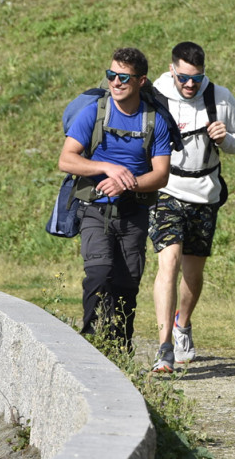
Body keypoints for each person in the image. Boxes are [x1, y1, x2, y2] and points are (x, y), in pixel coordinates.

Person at [149, 41, 235, 373]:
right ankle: (164, 347)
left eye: (197, 78)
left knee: (193, 273)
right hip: (166, 189)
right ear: (171, 70)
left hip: (205, 192)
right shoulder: (156, 94)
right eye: (184, 78)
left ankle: (183, 325)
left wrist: (226, 139)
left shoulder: (219, 97)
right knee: (169, 262)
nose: (190, 84)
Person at [59, 47, 172, 349]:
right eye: (111, 75)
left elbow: (161, 175)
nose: (116, 82)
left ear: (141, 81)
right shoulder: (94, 113)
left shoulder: (154, 121)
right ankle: (90, 345)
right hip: (94, 209)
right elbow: (67, 159)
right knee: (98, 274)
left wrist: (127, 184)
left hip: (133, 213)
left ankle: (119, 350)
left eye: (124, 77)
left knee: (126, 286)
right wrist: (105, 167)